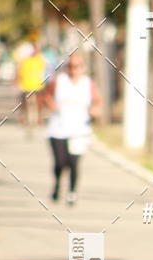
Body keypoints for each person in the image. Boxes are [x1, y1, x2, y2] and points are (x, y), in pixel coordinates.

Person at [43, 52, 102, 205]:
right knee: (60, 163)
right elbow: (46, 96)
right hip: (58, 128)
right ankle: (57, 185)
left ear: (82, 68)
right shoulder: (59, 81)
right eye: (70, 66)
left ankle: (72, 191)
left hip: (79, 129)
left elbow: (98, 101)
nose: (73, 69)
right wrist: (52, 105)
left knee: (74, 162)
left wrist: (95, 110)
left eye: (77, 66)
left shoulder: (88, 83)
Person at [16, 42, 46, 131]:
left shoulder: (40, 59)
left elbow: (45, 71)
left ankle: (40, 118)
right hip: (27, 85)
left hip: (38, 85)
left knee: (40, 101)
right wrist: (18, 82)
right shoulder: (25, 61)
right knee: (22, 100)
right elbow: (19, 71)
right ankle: (22, 116)